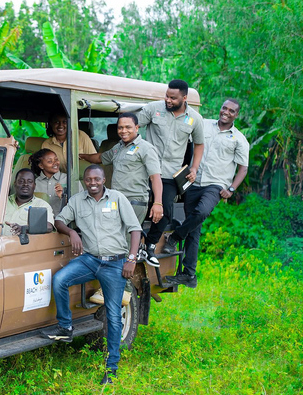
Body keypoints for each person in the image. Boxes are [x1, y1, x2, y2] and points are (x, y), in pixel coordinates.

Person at [44, 165, 142, 385]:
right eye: (88, 179)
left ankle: (111, 368)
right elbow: (60, 219)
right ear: (85, 181)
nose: (92, 183)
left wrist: (131, 259)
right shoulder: (78, 200)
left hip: (115, 263)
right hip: (90, 259)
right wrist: (71, 232)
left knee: (114, 315)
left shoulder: (117, 198)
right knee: (60, 280)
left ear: (104, 179)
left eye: (96, 179)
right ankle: (66, 326)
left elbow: (135, 229)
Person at [162, 99, 249, 289]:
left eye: (231, 111)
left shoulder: (239, 139)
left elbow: (243, 168)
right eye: (224, 108)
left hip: (215, 185)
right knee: (194, 230)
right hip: (193, 182)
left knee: (201, 212)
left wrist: (231, 189)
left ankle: (175, 237)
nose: (226, 112)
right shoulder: (203, 125)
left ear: (236, 114)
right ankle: (189, 274)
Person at [136, 79, 205, 262]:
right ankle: (134, 244)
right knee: (138, 205)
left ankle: (150, 245)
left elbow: (199, 145)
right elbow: (133, 126)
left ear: (184, 97)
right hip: (145, 169)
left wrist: (194, 168)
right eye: (167, 96)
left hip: (170, 173)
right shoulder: (153, 109)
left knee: (165, 211)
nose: (168, 100)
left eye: (173, 98)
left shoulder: (195, 119)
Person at [80, 113, 164, 226]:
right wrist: (82, 156)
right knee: (114, 237)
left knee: (128, 239)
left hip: (134, 202)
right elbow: (100, 158)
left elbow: (155, 178)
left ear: (137, 127)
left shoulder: (146, 148)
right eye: (120, 127)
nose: (123, 131)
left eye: (128, 127)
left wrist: (158, 203)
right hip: (116, 200)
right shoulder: (118, 147)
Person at [3, 168, 54, 236]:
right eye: (21, 181)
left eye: (30, 181)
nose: (25, 184)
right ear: (15, 183)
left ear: (34, 185)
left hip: (24, 245)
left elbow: (49, 227)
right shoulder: (2, 202)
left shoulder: (41, 205)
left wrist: (24, 229)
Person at [29, 148, 66, 217]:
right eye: (50, 161)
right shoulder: (34, 184)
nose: (55, 163)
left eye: (56, 159)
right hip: (40, 224)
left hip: (64, 224)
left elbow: (79, 206)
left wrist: (63, 197)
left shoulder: (69, 179)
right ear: (41, 166)